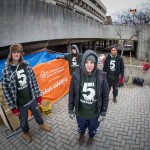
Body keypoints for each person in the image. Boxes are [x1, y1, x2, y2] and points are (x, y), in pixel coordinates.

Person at [1, 43, 51, 143]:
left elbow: (34, 81)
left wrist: (38, 96)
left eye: (18, 52)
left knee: (38, 114)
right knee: (23, 121)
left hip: (32, 98)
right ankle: (26, 133)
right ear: (11, 54)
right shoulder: (6, 71)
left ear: (21, 53)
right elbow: (6, 91)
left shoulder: (26, 65)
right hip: (20, 104)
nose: (16, 54)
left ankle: (41, 125)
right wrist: (12, 107)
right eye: (14, 52)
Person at [68, 50, 109, 146]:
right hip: (80, 112)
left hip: (94, 112)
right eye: (86, 62)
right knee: (81, 126)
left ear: (95, 63)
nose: (89, 65)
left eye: (92, 62)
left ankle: (91, 136)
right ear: (83, 62)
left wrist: (103, 111)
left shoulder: (101, 76)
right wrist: (70, 109)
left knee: (93, 127)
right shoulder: (76, 75)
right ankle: (81, 135)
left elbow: (105, 95)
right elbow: (72, 94)